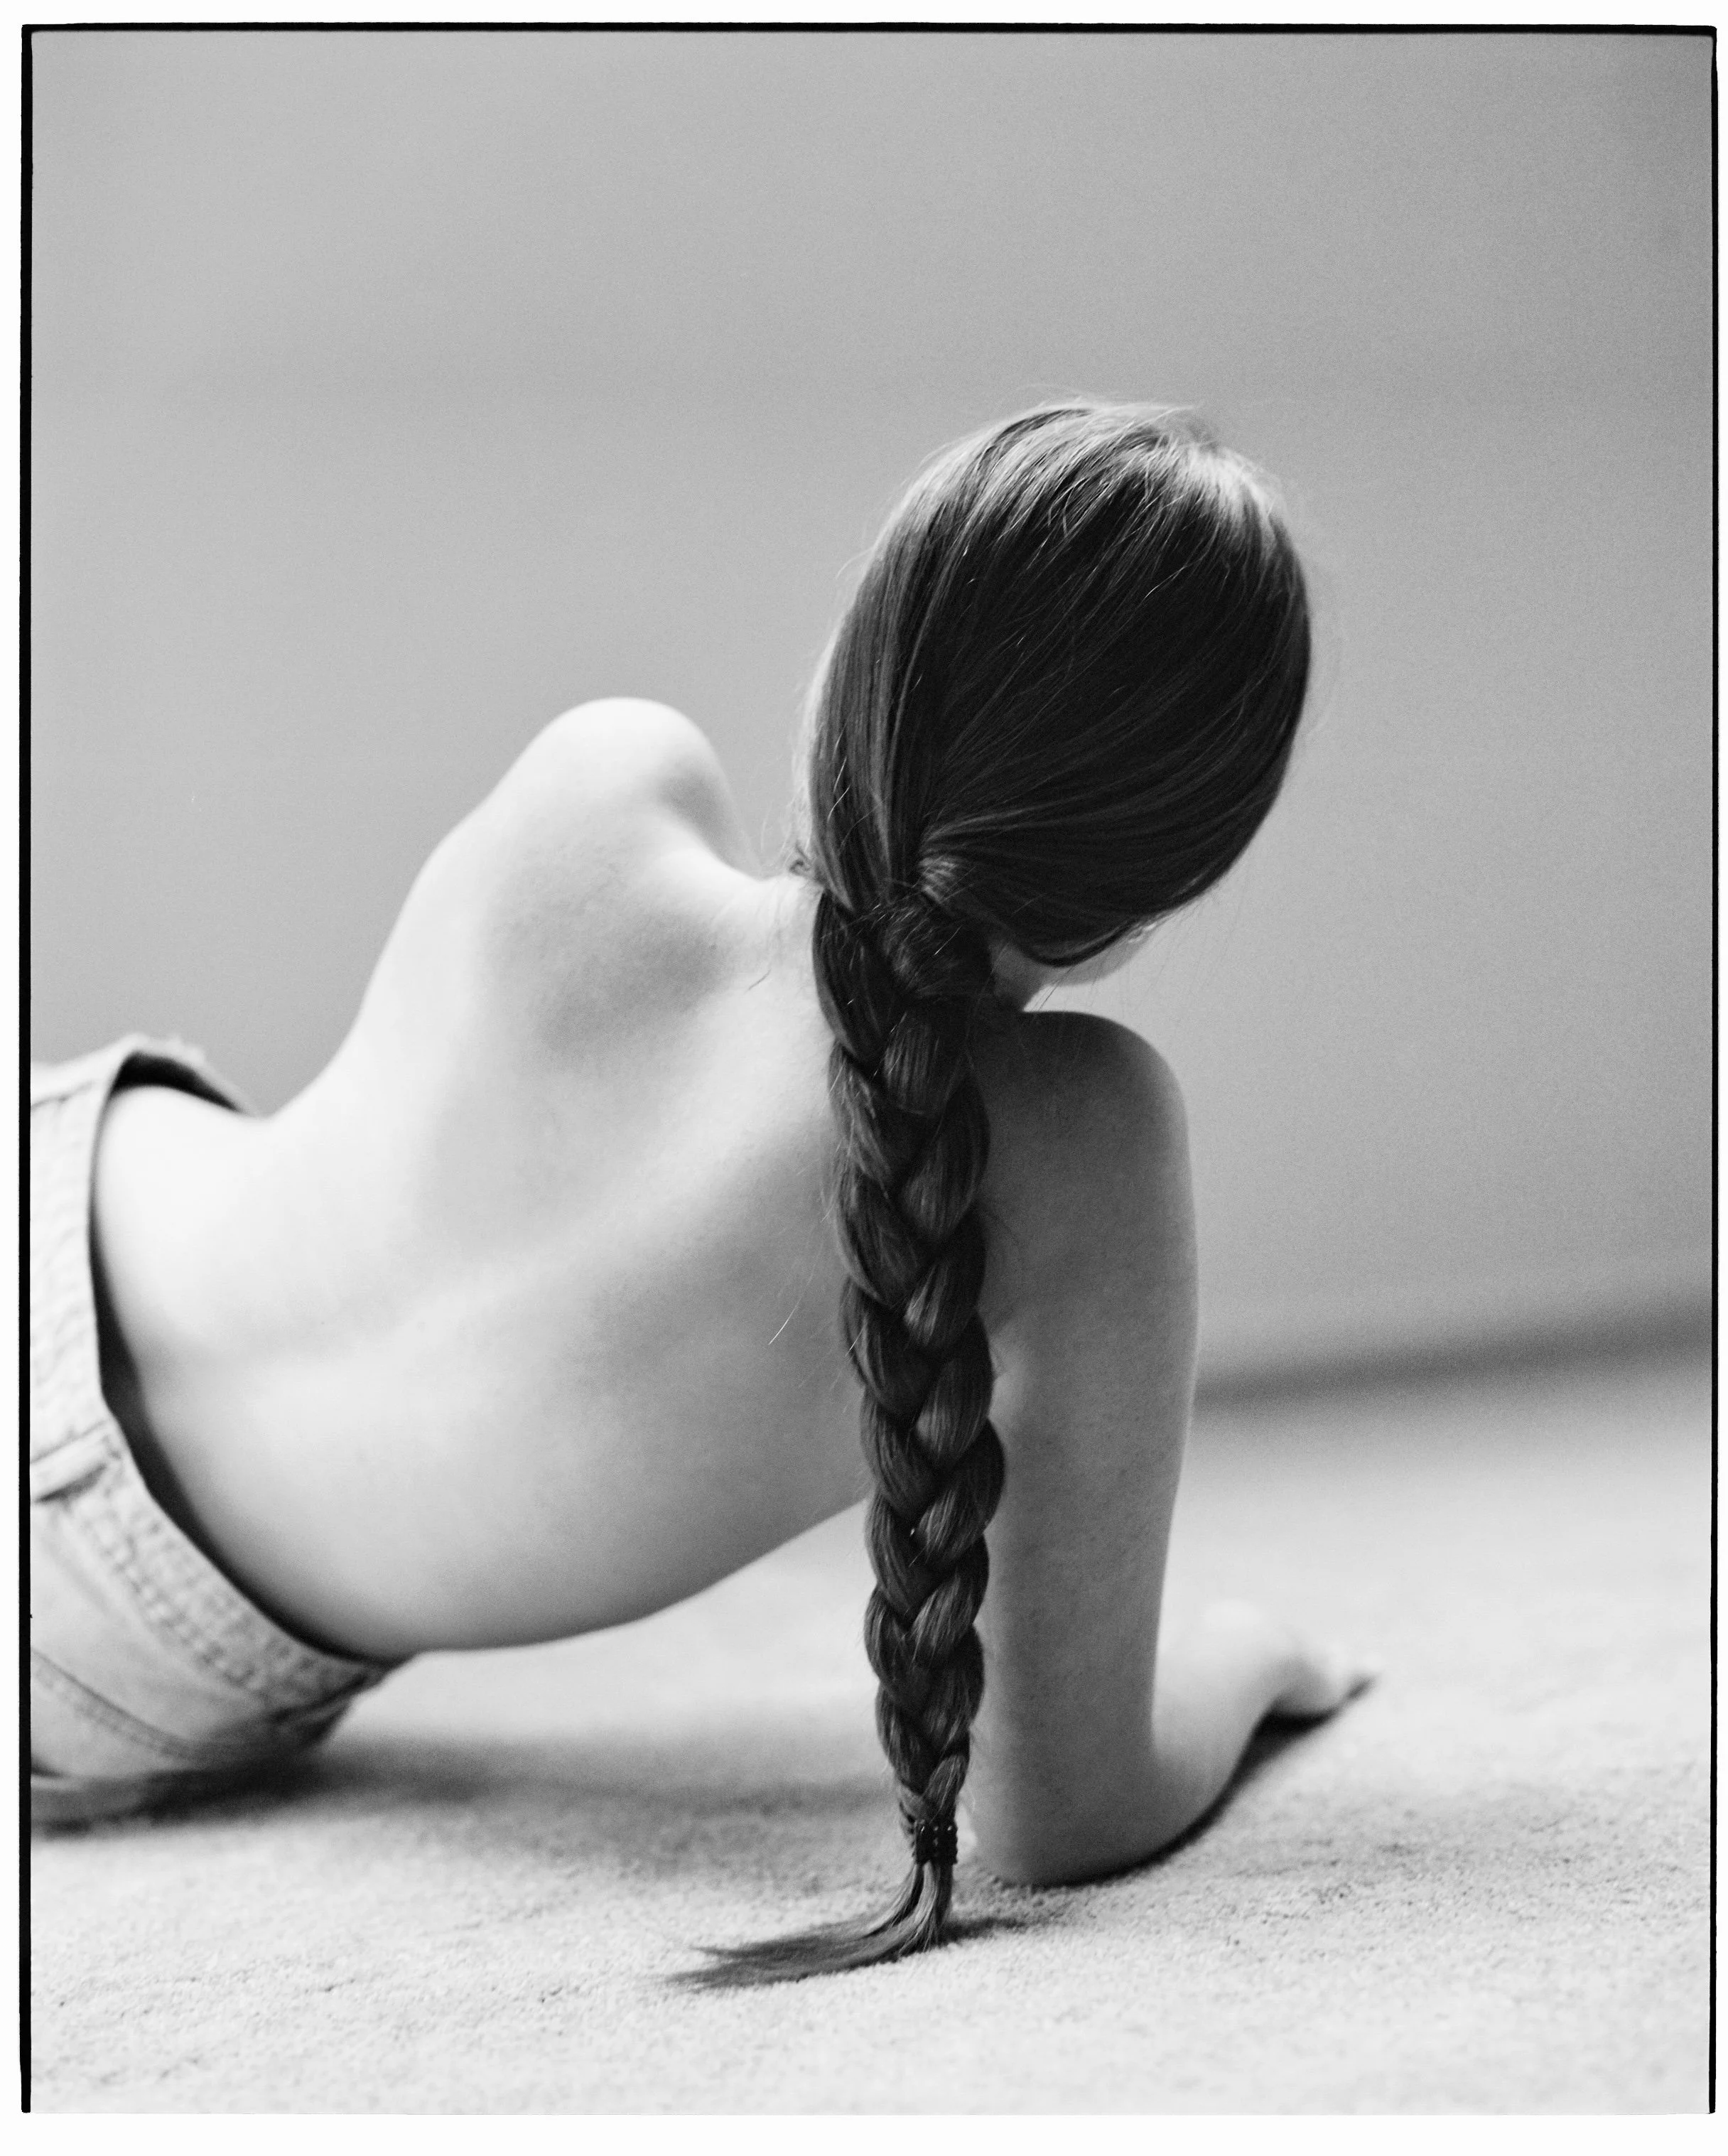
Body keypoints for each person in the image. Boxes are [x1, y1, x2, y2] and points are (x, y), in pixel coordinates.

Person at [30, 401, 1367, 1984]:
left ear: (850, 677)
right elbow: (1067, 1808)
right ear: (1166, 884)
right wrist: (1251, 1652)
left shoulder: (598, 784)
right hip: (105, 1658)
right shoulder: (1082, 1154)